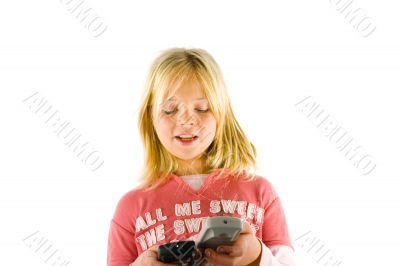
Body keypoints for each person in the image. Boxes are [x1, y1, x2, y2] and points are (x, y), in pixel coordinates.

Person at [107, 48, 296, 266]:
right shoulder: (131, 208)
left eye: (202, 108)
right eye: (170, 109)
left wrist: (257, 254)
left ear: (221, 113)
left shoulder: (261, 194)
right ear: (150, 115)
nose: (186, 120)